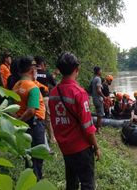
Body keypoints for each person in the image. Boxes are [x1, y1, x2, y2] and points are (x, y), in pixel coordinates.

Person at [49, 52, 100, 190]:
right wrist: (96, 146)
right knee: (87, 183)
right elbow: (88, 127)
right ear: (77, 69)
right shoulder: (79, 93)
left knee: (71, 182)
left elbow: (55, 121)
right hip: (81, 148)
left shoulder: (53, 93)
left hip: (65, 147)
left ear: (59, 70)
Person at [12, 57, 46, 180]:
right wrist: (22, 120)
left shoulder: (16, 85)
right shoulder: (33, 87)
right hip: (34, 125)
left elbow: (14, 107)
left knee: (28, 156)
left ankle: (27, 180)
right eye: (35, 69)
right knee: (36, 158)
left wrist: (18, 121)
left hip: (23, 127)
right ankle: (35, 183)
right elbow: (31, 110)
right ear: (32, 71)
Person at [34, 56, 57, 143]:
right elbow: (54, 84)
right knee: (48, 119)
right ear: (42, 64)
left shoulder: (32, 74)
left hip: (34, 98)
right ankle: (52, 138)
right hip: (45, 98)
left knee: (37, 119)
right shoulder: (46, 74)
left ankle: (39, 138)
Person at [91, 66, 106, 132]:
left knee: (98, 113)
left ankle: (98, 126)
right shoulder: (98, 79)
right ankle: (98, 129)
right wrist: (104, 97)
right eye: (101, 70)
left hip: (94, 99)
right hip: (98, 99)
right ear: (98, 71)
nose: (101, 72)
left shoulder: (94, 78)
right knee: (100, 115)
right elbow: (98, 90)